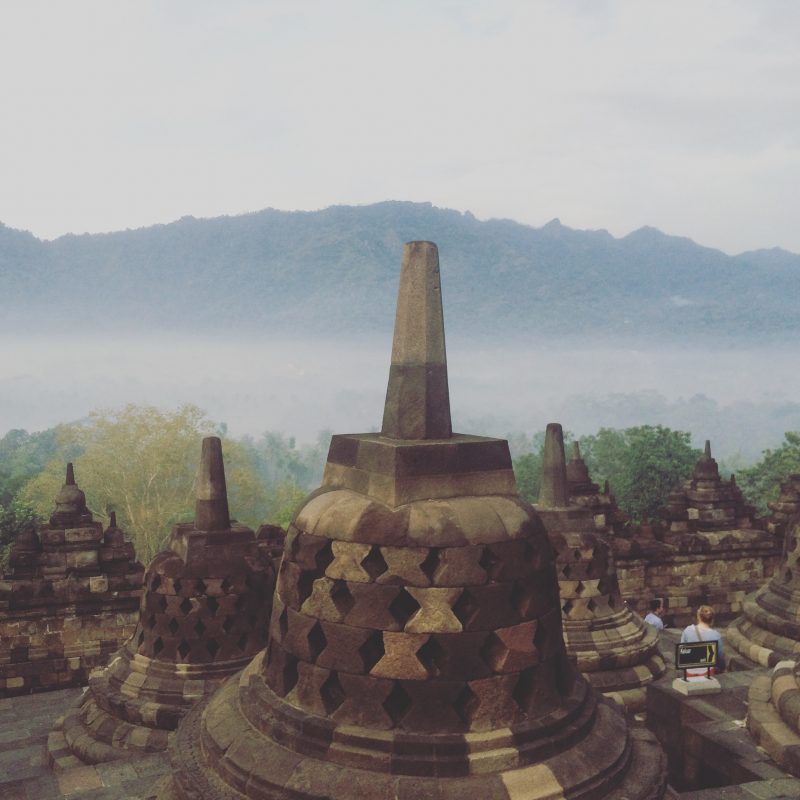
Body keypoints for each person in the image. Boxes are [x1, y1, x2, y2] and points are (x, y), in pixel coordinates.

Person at [680, 605, 725, 679]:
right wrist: (722, 668)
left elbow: (682, 652)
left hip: (690, 670)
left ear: (699, 617)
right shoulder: (716, 635)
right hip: (707, 671)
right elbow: (720, 658)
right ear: (712, 619)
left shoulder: (687, 630)